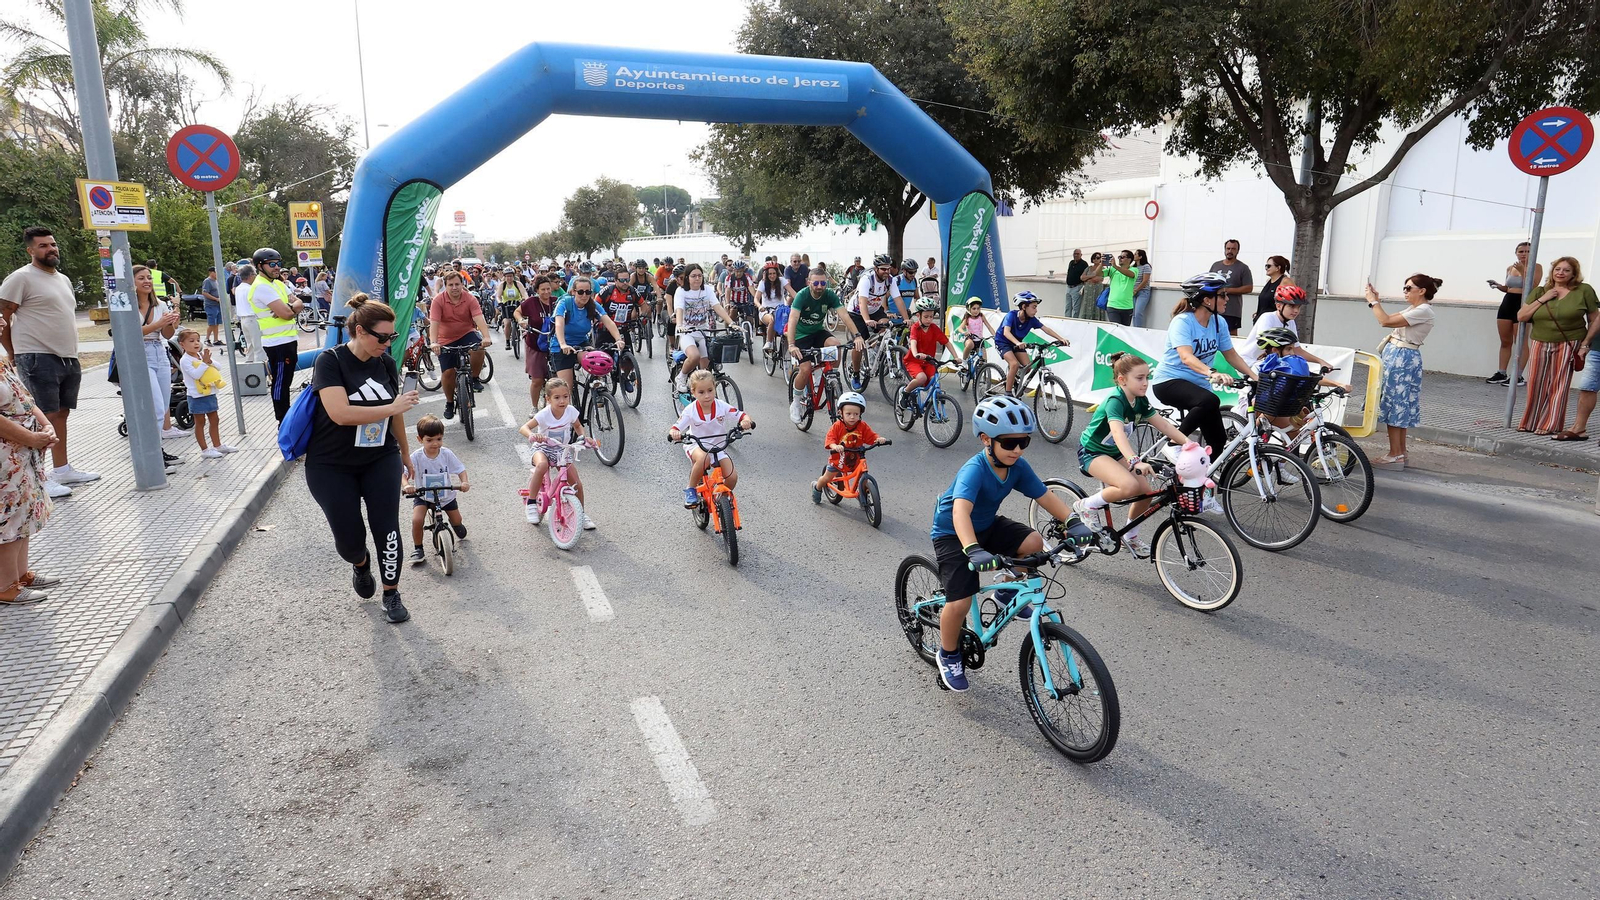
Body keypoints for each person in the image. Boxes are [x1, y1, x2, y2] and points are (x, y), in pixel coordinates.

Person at [928, 395, 1090, 692]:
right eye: (1009, 442)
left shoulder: (1017, 466)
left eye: (1023, 442)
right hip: (954, 533)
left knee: (1033, 541)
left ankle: (1005, 592)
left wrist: (1073, 521)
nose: (1017, 450)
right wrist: (973, 549)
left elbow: (1044, 496)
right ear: (986, 440)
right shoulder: (974, 469)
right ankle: (948, 653)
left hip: (986, 525)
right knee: (962, 600)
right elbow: (960, 511)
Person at [306, 295, 419, 624]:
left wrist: (404, 450)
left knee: (387, 527)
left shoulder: (385, 362)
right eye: (381, 337)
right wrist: (393, 407)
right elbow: (340, 413)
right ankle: (360, 563)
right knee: (349, 539)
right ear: (358, 331)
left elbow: (394, 412)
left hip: (378, 457)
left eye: (392, 337)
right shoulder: (330, 361)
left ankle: (391, 592)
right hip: (330, 464)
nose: (387, 343)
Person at [0, 227, 99, 499]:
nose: (51, 249)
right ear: (30, 250)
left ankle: (62, 469)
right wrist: (12, 352)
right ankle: (40, 477)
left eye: (53, 244)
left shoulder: (63, 279)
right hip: (36, 355)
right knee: (42, 417)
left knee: (61, 414)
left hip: (67, 355)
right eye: (43, 246)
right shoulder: (20, 278)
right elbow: (3, 317)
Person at [1073, 353, 1190, 558]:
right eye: (1140, 378)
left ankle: (1130, 535)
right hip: (1092, 452)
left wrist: (1190, 445)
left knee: (1145, 492)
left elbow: (1163, 424)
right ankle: (1087, 505)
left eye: (1147, 377)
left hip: (1114, 452)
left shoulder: (1140, 401)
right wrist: (1134, 460)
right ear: (1122, 380)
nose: (1145, 383)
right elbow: (1117, 433)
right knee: (1128, 486)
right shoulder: (1115, 400)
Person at [1151, 272, 1257, 461]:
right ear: (1207, 300)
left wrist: (1254, 376)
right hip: (1169, 381)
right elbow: (1186, 357)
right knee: (1210, 400)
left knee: (1218, 441)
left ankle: (1196, 483)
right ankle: (1174, 443)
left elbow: (1231, 354)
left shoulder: (1219, 322)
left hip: (1198, 387)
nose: (1227, 299)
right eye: (1223, 295)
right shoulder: (1183, 322)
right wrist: (1212, 372)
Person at [0, 313, 57, 605]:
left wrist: (46, 426)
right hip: (6, 453)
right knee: (8, 515)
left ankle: (21, 575)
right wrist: (30, 438)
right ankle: (5, 585)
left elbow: (26, 399)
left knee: (25, 509)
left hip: (22, 452)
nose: (1, 319)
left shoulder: (1, 355)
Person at [1517, 257, 1599, 438]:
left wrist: (1585, 344)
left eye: (1566, 270)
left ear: (1574, 274)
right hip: (1540, 340)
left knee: (1559, 384)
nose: (1560, 273)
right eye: (1558, 269)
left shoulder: (1584, 291)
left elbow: (1595, 318)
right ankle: (1529, 422)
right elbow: (1522, 316)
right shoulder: (1540, 291)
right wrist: (1544, 298)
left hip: (1569, 342)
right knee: (1536, 382)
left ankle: (1551, 424)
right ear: (1552, 271)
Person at [1365, 274, 1440, 469]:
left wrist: (1373, 302)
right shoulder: (1416, 309)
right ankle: (1400, 452)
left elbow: (1385, 321)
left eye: (1408, 288)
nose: (1405, 292)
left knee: (1395, 404)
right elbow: (1390, 319)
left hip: (1402, 359)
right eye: (1405, 288)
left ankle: (1395, 454)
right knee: (1398, 404)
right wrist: (1377, 301)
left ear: (1421, 291)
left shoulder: (1423, 310)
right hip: (1400, 356)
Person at [788, 270, 866, 424]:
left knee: (836, 345)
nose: (819, 286)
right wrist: (791, 345)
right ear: (808, 282)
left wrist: (857, 335)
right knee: (805, 369)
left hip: (817, 332)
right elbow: (793, 319)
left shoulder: (829, 295)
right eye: (815, 282)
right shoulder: (802, 296)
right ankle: (795, 403)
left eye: (823, 283)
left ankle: (828, 377)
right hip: (801, 336)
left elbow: (844, 315)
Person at [668, 368, 753, 508]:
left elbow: (741, 415)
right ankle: (691, 489)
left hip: (718, 446)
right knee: (704, 459)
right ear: (693, 393)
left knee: (732, 477)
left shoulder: (721, 406)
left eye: (710, 390)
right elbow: (675, 428)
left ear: (715, 389)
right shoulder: (690, 410)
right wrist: (674, 433)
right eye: (701, 392)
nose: (707, 395)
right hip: (697, 445)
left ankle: (722, 501)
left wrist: (746, 421)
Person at [131, 266, 191, 460]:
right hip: (141, 354)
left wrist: (170, 322)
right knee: (155, 406)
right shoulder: (128, 305)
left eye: (148, 277)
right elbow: (129, 333)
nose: (147, 281)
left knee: (163, 404)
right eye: (141, 278)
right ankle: (152, 454)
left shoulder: (159, 305)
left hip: (160, 351)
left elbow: (167, 334)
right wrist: (158, 324)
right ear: (131, 282)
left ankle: (157, 450)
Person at [519, 378, 594, 528]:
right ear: (548, 399)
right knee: (541, 466)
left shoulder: (571, 411)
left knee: (576, 483)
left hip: (562, 449)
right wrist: (532, 435)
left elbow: (578, 426)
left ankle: (581, 514)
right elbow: (524, 428)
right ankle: (532, 503)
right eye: (557, 397)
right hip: (542, 448)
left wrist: (582, 437)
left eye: (565, 397)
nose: (562, 401)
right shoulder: (544, 414)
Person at [246, 247, 305, 422]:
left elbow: (298, 303)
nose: (277, 267)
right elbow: (287, 313)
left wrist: (292, 307)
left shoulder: (278, 284)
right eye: (272, 264)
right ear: (259, 266)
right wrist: (290, 309)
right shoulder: (261, 287)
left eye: (278, 263)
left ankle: (286, 418)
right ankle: (283, 420)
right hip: (277, 343)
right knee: (281, 383)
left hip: (288, 339)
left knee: (286, 381)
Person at [403, 414, 469, 565]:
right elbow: (403, 473)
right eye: (429, 440)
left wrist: (464, 482)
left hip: (446, 495)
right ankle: (418, 548)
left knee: (457, 520)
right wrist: (406, 485)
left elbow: (460, 469)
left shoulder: (446, 454)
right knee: (417, 520)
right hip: (424, 496)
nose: (435, 444)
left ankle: (455, 524)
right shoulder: (416, 457)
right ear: (420, 439)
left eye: (439, 439)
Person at [429, 270, 490, 421]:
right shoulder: (438, 300)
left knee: (479, 347)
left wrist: (487, 336)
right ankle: (449, 403)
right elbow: (434, 323)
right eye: (451, 285)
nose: (454, 287)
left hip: (466, 333)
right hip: (445, 339)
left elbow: (479, 318)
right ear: (445, 285)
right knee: (448, 373)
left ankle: (475, 378)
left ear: (463, 285)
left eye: (457, 284)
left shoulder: (469, 298)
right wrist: (434, 342)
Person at [811, 391, 886, 502]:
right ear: (841, 413)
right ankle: (817, 487)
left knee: (863, 478)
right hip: (838, 459)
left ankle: (863, 495)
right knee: (827, 478)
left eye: (856, 414)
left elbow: (871, 436)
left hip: (855, 458)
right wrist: (835, 446)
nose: (852, 417)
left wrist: (878, 439)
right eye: (848, 414)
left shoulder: (862, 426)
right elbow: (830, 439)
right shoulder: (837, 426)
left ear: (860, 413)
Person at [1239, 284, 1334, 371]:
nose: (1296, 311)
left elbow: (1297, 350)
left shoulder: (1291, 322)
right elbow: (1266, 345)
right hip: (1249, 363)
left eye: (1298, 307)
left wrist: (1320, 361)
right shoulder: (1267, 317)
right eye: (1292, 306)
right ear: (1279, 306)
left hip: (1267, 365)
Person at [551, 275, 623, 389]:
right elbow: (559, 324)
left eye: (588, 292)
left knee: (597, 363)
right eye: (580, 292)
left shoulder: (592, 305)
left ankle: (598, 392)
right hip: (561, 346)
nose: (584, 295)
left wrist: (618, 339)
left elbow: (609, 322)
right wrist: (563, 344)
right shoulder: (565, 303)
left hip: (581, 343)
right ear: (573, 292)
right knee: (566, 388)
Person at [672, 265, 737, 392]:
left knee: (705, 368)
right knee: (694, 356)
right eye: (693, 276)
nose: (697, 278)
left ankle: (699, 392)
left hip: (703, 331)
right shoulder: (681, 291)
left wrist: (731, 322)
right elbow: (679, 309)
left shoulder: (707, 289)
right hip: (687, 331)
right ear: (687, 278)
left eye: (700, 275)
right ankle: (681, 376)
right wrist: (679, 325)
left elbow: (717, 307)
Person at [174, 328, 236, 459]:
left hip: (209, 392)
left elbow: (218, 367)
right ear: (182, 344)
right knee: (200, 422)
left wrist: (209, 361)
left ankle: (217, 445)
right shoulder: (185, 360)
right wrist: (205, 363)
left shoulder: (201, 355)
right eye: (191, 341)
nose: (196, 343)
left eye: (198, 340)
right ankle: (205, 449)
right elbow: (195, 375)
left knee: (215, 419)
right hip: (196, 395)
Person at [1487, 242, 1542, 386]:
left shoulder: (1536, 267)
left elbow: (1534, 286)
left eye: (1527, 251)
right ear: (1516, 253)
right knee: (1505, 341)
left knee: (1521, 342)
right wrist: (1498, 286)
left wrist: (1524, 269)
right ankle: (1501, 372)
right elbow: (1509, 287)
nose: (1524, 254)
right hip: (1508, 302)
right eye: (1521, 251)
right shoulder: (1510, 267)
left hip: (1523, 302)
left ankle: (1518, 375)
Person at [994, 291, 1069, 394]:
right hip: (1002, 342)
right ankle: (1008, 393)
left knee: (1027, 367)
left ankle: (1011, 379)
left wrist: (1061, 338)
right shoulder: (1011, 315)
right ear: (1024, 306)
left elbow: (1046, 329)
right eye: (1034, 307)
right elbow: (1006, 332)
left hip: (1016, 343)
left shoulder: (1032, 320)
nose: (1036, 310)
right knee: (1014, 364)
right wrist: (1017, 343)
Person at [848, 255, 910, 373]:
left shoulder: (890, 280)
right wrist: (866, 320)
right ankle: (855, 372)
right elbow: (862, 302)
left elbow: (898, 300)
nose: (887, 272)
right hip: (856, 312)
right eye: (883, 269)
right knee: (860, 342)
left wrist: (906, 319)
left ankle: (874, 350)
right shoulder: (867, 279)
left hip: (875, 310)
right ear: (876, 268)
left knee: (886, 327)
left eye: (888, 268)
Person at [898, 297, 964, 409]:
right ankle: (905, 392)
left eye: (931, 317)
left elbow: (947, 343)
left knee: (935, 381)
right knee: (922, 378)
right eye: (926, 317)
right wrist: (915, 354)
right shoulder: (915, 328)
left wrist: (956, 357)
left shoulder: (934, 328)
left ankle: (933, 408)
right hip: (914, 361)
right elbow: (913, 342)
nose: (929, 320)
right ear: (918, 316)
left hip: (929, 362)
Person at [517, 276, 555, 410]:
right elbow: (517, 312)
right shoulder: (531, 302)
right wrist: (521, 320)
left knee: (558, 379)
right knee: (537, 380)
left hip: (554, 343)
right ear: (537, 290)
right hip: (535, 344)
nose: (546, 292)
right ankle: (534, 407)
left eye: (548, 289)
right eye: (542, 289)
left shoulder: (556, 302)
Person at [1209, 239, 1254, 333]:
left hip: (1232, 310)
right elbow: (1208, 282)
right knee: (1212, 332)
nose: (1230, 251)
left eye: (1233, 249)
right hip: (1214, 308)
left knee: (1231, 336)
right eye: (1228, 248)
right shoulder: (1215, 265)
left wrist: (1227, 290)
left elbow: (1249, 287)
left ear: (1238, 251)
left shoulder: (1243, 268)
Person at [232, 263, 263, 363]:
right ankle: (260, 367)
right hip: (252, 318)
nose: (255, 276)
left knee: (250, 344)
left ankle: (249, 362)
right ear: (250, 275)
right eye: (254, 274)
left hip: (243, 320)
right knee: (258, 345)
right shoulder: (250, 289)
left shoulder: (238, 289)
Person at [1100, 249, 1141, 326]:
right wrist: (1101, 264)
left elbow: (1130, 274)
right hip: (1112, 306)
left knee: (1124, 331)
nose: (1119, 259)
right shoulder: (1112, 269)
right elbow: (1098, 274)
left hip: (1127, 307)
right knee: (1116, 328)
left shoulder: (1134, 269)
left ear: (1129, 260)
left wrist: (1115, 266)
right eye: (1119, 257)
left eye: (1122, 257)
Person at [756, 262, 787, 351]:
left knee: (791, 322)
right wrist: (759, 306)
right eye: (770, 274)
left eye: (774, 273)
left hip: (780, 311)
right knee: (772, 319)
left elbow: (793, 293)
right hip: (766, 311)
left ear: (777, 274)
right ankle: (769, 342)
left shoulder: (782, 281)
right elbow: (756, 299)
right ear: (766, 274)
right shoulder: (762, 283)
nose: (772, 276)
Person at [1255, 256, 1293, 323]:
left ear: (1278, 268)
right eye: (1266, 266)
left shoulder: (1285, 281)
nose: (1266, 268)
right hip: (1261, 320)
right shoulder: (1269, 281)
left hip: (1275, 322)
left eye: (1268, 266)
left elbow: (1294, 301)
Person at [497, 266, 524, 350]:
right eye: (507, 276)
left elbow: (524, 294)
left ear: (513, 276)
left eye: (511, 276)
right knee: (507, 323)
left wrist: (524, 299)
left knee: (521, 320)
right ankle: (507, 341)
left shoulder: (517, 284)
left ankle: (520, 333)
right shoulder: (502, 285)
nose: (509, 278)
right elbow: (498, 296)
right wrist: (500, 302)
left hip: (517, 304)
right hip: (506, 305)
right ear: (504, 277)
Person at [200, 266, 224, 347]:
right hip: (210, 305)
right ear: (211, 272)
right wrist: (216, 299)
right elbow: (205, 293)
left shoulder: (216, 281)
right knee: (212, 323)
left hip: (217, 305)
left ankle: (216, 339)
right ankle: (207, 339)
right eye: (216, 272)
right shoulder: (207, 281)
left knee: (217, 323)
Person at [1077, 253, 1105, 321]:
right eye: (1094, 258)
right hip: (1088, 289)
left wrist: (1088, 279)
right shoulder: (1089, 268)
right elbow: (1082, 277)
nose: (1096, 259)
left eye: (1098, 258)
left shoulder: (1102, 268)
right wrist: (1092, 276)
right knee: (1087, 303)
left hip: (1097, 289)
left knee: (1097, 303)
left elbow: (1099, 279)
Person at [959, 296, 988, 360]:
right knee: (970, 344)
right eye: (974, 308)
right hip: (970, 338)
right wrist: (964, 332)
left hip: (979, 340)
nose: (976, 311)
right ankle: (964, 361)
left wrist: (995, 336)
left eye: (978, 308)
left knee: (984, 360)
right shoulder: (967, 318)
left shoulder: (981, 316)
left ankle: (983, 369)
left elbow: (989, 326)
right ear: (969, 309)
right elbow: (960, 328)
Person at [1131, 249, 1155, 328]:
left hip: (1143, 292)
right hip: (1133, 292)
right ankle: (1135, 328)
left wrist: (1136, 289)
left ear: (1140, 256)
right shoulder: (1133, 267)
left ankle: (1139, 329)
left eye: (1135, 254)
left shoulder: (1146, 266)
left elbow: (1145, 280)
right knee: (1133, 313)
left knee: (1138, 312)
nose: (1134, 256)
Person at [1064, 249, 1089, 318]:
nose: (1076, 255)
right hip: (1069, 287)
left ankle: (1074, 321)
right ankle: (1067, 320)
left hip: (1077, 287)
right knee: (1068, 306)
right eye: (1075, 254)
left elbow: (1086, 275)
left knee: (1076, 308)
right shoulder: (1071, 262)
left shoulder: (1084, 264)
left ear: (1081, 255)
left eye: (1077, 254)